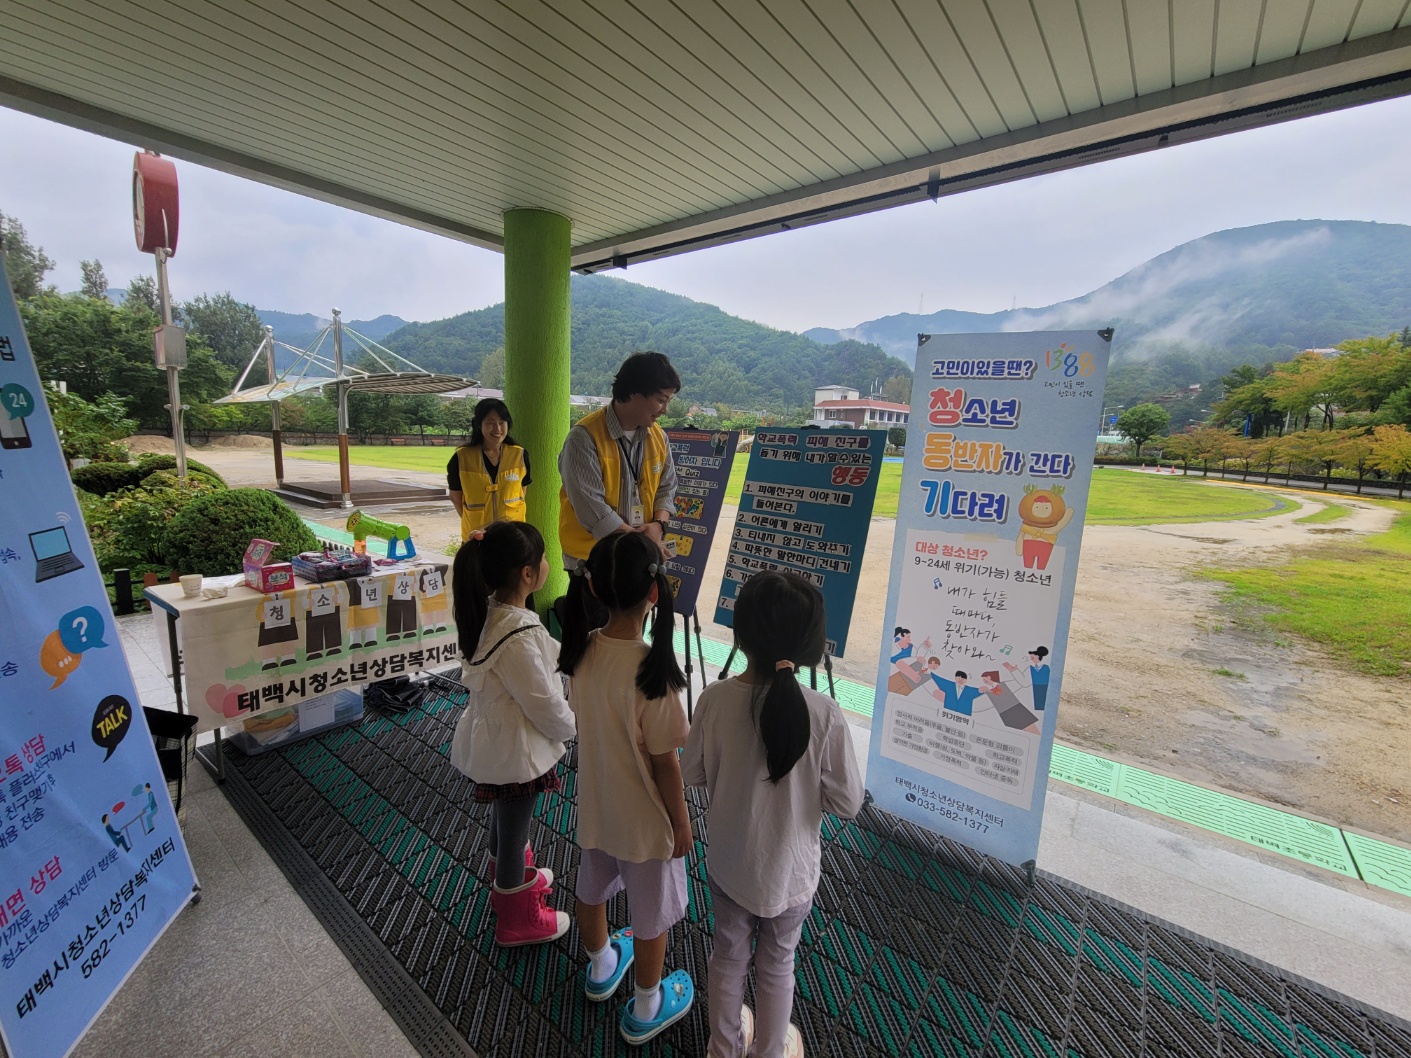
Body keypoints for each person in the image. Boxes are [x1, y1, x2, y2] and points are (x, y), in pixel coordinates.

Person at [683, 571, 864, 1058]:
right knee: (778, 963)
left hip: (728, 863)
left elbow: (692, 773)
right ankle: (769, 1050)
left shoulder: (714, 698)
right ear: (811, 645)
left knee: (727, 955)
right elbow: (848, 802)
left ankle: (723, 1047)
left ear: (741, 635)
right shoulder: (824, 714)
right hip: (790, 874)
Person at [557, 530, 693, 1045]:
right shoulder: (654, 673)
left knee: (590, 891)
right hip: (645, 824)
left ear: (591, 585)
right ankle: (646, 1004)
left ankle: (599, 967)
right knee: (650, 918)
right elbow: (667, 766)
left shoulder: (583, 652)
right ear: (653, 594)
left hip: (595, 807)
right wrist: (681, 823)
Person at [449, 521, 575, 947]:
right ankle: (516, 919)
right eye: (542, 559)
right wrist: (575, 726)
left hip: (493, 740)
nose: (546, 565)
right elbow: (544, 703)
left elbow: (543, 656)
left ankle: (510, 872)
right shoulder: (520, 634)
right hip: (518, 751)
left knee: (504, 819)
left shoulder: (489, 613)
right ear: (527, 573)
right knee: (515, 822)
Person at [558, 352, 680, 569]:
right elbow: (591, 508)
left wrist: (659, 525)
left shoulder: (659, 436)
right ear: (634, 392)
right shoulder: (584, 438)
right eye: (661, 400)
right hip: (593, 561)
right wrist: (641, 540)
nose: (665, 410)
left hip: (642, 556)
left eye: (668, 401)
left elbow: (667, 487)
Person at [449, 398, 532, 541]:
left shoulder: (520, 455)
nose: (498, 429)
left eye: (502, 422)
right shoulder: (462, 457)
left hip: (512, 536)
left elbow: (521, 492)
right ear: (479, 425)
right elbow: (456, 497)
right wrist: (471, 518)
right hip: (477, 536)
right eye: (490, 423)